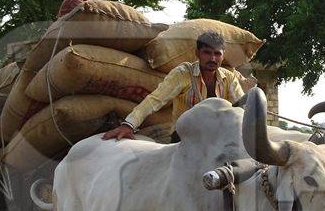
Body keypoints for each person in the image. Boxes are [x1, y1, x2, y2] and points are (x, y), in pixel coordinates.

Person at [103, 31, 245, 141]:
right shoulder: (183, 73)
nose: (212, 59)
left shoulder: (229, 77)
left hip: (218, 138)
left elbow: (242, 108)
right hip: (184, 137)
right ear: (197, 53)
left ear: (223, 56)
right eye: (207, 53)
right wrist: (129, 124)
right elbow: (155, 100)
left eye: (217, 54)